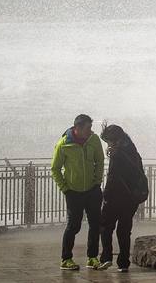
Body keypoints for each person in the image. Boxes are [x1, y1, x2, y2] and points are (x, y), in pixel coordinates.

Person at [52, 113, 105, 269]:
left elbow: (100, 161)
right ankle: (66, 259)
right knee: (74, 226)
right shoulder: (63, 144)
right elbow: (55, 169)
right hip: (73, 192)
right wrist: (65, 189)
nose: (90, 130)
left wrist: (97, 182)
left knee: (95, 224)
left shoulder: (94, 140)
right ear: (77, 128)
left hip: (92, 190)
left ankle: (92, 257)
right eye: (88, 128)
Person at [96, 123, 149, 271]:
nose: (107, 144)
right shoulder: (133, 151)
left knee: (105, 227)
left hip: (115, 197)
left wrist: (105, 196)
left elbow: (113, 177)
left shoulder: (117, 154)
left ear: (114, 140)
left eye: (108, 141)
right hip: (131, 198)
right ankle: (123, 263)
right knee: (124, 230)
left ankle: (106, 257)